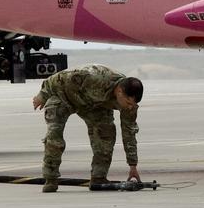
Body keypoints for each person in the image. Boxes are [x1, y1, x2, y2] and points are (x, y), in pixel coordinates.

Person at [33, 63, 143, 192]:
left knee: (106, 135)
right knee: (54, 137)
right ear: (119, 91)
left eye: (133, 104)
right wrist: (42, 95)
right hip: (64, 97)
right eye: (128, 102)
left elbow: (129, 132)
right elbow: (58, 78)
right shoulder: (94, 76)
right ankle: (50, 179)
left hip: (95, 106)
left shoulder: (129, 106)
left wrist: (133, 165)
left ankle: (99, 177)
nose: (130, 107)